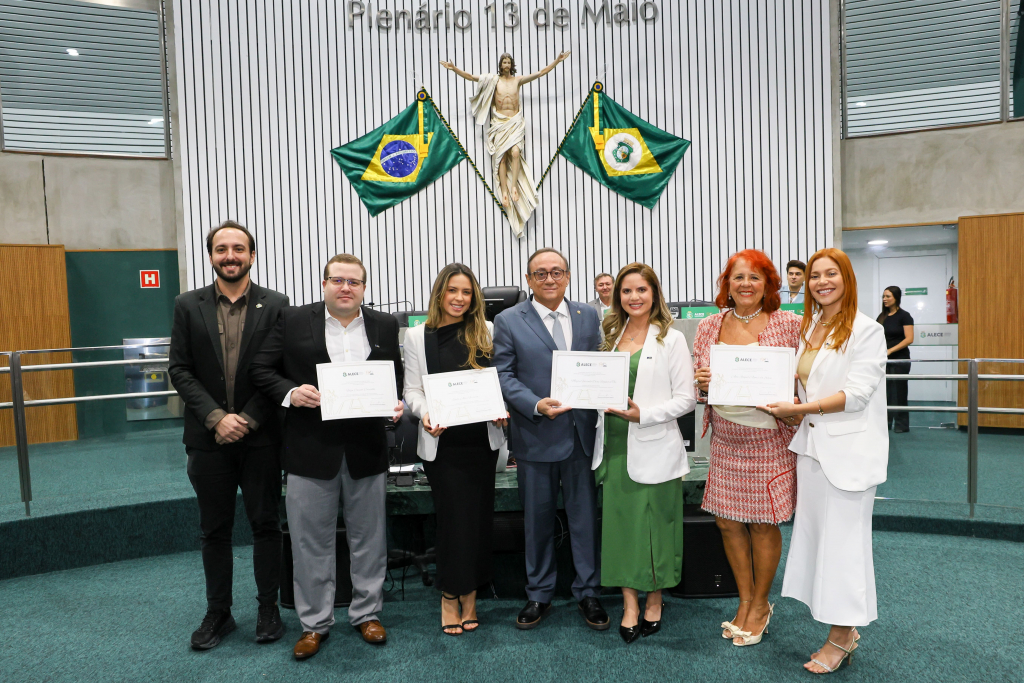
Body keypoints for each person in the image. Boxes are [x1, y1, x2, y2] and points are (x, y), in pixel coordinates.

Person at [250, 253, 404, 661]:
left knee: (369, 539)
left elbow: (395, 378)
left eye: (354, 282)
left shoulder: (384, 325)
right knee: (309, 542)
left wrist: (395, 404)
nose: (345, 288)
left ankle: (367, 613)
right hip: (308, 448)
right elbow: (261, 369)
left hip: (365, 449)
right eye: (338, 280)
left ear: (364, 288)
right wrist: (291, 393)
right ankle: (314, 624)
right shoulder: (292, 319)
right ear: (324, 284)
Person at [761, 247, 888, 674]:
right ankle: (840, 627)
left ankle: (842, 635)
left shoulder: (866, 330)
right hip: (814, 450)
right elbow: (799, 381)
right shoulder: (812, 324)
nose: (821, 282)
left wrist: (798, 410)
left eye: (831, 274)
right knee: (821, 544)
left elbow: (857, 394)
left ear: (847, 278)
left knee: (845, 549)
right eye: (815, 276)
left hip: (848, 454)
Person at [169, 220, 289, 650]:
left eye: (239, 248)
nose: (231, 256)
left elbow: (280, 372)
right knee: (214, 531)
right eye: (222, 249)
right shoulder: (187, 304)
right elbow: (179, 369)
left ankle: (268, 608)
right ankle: (218, 613)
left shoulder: (277, 305)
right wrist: (217, 417)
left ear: (252, 256)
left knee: (265, 526)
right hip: (208, 439)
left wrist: (249, 418)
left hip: (261, 438)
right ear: (212, 255)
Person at [492, 247, 610, 631]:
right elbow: (503, 374)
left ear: (568, 275)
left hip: (581, 436)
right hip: (536, 434)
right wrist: (535, 404)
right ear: (528, 280)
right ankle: (538, 594)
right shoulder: (509, 319)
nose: (549, 279)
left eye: (556, 271)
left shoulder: (589, 315)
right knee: (537, 522)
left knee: (584, 522)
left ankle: (588, 592)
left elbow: (599, 362)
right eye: (540, 273)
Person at [692, 249, 801, 647]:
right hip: (725, 438)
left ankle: (760, 603)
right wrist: (701, 383)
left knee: (761, 522)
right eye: (738, 277)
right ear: (727, 283)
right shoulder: (709, 325)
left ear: (769, 283)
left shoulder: (789, 324)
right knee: (727, 521)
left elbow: (804, 380)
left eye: (755, 277)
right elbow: (698, 384)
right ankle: (743, 599)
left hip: (768, 439)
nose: (746, 284)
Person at [590, 263, 695, 643]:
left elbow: (686, 399)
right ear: (617, 295)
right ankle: (629, 603)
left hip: (653, 443)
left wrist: (644, 415)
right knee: (620, 530)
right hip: (614, 447)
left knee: (655, 530)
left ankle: (655, 598)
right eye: (626, 291)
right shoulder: (610, 333)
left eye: (641, 290)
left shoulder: (672, 338)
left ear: (655, 294)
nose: (634, 297)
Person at [402, 263, 509, 636]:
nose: (459, 299)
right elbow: (411, 390)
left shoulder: (489, 331)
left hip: (481, 442)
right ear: (439, 294)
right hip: (442, 443)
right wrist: (425, 412)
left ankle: (472, 597)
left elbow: (500, 381)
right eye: (452, 291)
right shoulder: (418, 336)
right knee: (451, 522)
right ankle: (450, 594)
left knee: (478, 519)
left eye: (466, 292)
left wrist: (501, 409)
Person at [440, 51, 570, 236]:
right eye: (504, 62)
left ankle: (514, 186)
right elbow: (470, 77)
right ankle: (504, 189)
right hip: (499, 123)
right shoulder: (493, 80)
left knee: (516, 153)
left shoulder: (517, 80)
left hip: (515, 122)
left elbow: (541, 73)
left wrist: (557, 61)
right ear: (500, 65)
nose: (506, 65)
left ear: (512, 64)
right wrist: (454, 69)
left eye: (509, 62)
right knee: (500, 159)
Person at [877, 286, 914, 433]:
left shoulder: (904, 316)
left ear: (896, 298)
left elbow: (909, 338)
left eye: (888, 296)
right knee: (884, 392)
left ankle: (901, 425)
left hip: (899, 359)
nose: (885, 299)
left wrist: (890, 351)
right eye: (883, 296)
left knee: (899, 392)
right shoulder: (882, 316)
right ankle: (885, 423)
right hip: (883, 360)